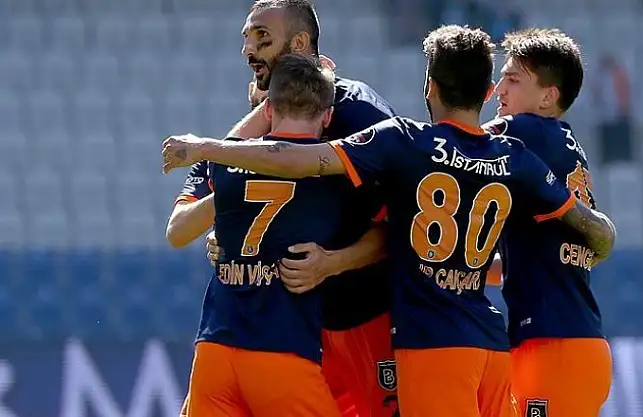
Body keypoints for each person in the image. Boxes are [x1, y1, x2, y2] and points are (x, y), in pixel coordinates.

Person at [161, 24, 617, 417]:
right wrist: (602, 240)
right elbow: (587, 224)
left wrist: (206, 149)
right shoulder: (514, 157)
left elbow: (297, 158)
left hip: (435, 343)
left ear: (429, 87)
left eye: (512, 81)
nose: (501, 92)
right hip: (493, 341)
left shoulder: (407, 142)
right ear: (484, 92)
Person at [166, 1, 399, 416]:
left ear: (300, 43)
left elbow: (402, 223)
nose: (248, 50)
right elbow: (195, 213)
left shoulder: (360, 114)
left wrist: (333, 263)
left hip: (360, 316)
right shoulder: (252, 133)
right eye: (246, 39)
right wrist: (229, 221)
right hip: (289, 330)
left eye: (262, 38)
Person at [482, 28, 614, 417]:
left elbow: (457, 141)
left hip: (553, 346)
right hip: (573, 343)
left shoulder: (524, 130)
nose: (499, 90)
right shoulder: (564, 146)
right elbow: (537, 257)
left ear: (547, 96)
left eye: (512, 79)